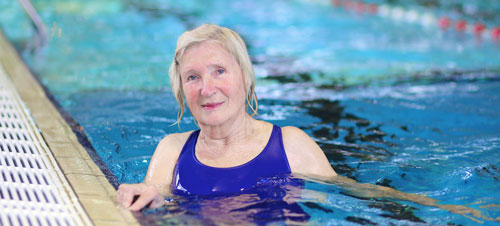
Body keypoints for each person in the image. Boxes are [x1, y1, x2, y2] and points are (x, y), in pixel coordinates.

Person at [117, 24, 336, 211]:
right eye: (193, 77)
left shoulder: (291, 146)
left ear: (245, 76)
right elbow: (155, 204)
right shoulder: (172, 152)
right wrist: (149, 205)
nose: (206, 89)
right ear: (181, 89)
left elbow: (340, 205)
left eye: (219, 71)